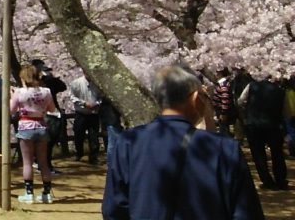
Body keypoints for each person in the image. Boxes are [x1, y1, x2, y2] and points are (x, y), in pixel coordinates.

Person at [103, 65, 264, 220]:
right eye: (204, 97)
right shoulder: (224, 148)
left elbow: (114, 208)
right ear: (195, 97)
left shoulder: (129, 142)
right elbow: (246, 212)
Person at [10, 64, 56, 203]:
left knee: (27, 162)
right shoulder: (46, 91)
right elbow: (52, 109)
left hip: (26, 126)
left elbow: (11, 110)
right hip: (41, 126)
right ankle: (47, 193)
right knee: (43, 162)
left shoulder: (20, 92)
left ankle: (29, 193)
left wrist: (12, 96)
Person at [237, 77, 288, 190]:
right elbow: (286, 111)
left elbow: (240, 101)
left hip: (254, 124)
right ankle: (281, 180)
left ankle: (267, 181)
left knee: (258, 154)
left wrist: (248, 110)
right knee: (277, 153)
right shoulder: (280, 90)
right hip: (274, 125)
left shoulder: (251, 86)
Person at [31, 59, 66, 171]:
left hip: (51, 113)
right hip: (42, 114)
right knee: (46, 141)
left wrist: (51, 77)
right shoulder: (32, 82)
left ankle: (42, 163)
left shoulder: (49, 81)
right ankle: (44, 165)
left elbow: (63, 86)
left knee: (50, 140)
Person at [68, 74, 101, 164]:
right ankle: (79, 153)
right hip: (81, 113)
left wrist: (96, 103)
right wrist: (83, 103)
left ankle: (94, 157)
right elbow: (72, 96)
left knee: (94, 136)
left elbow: (101, 97)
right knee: (78, 134)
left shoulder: (97, 82)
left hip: (93, 113)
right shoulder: (76, 83)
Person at [212, 68, 236, 137]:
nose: (216, 74)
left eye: (217, 73)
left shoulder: (223, 84)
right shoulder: (222, 83)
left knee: (224, 130)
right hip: (220, 110)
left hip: (222, 111)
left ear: (220, 73)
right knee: (223, 128)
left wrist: (223, 113)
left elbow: (225, 99)